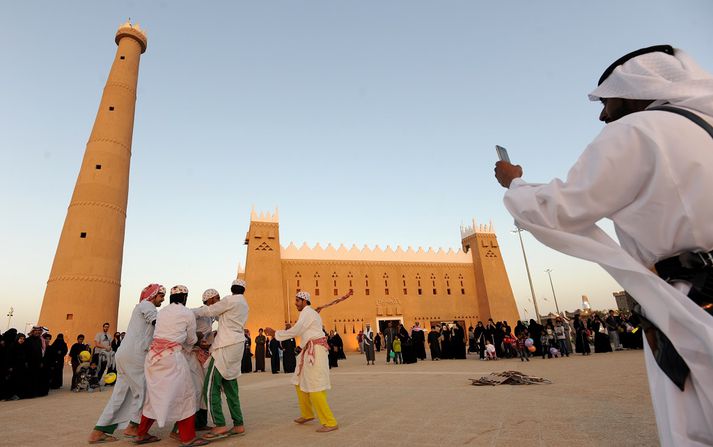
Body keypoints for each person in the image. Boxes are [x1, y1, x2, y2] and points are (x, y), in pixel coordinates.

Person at [495, 45, 713, 445]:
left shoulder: (637, 131)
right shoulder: (703, 127)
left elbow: (560, 208)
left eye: (607, 101)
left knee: (693, 423)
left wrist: (515, 183)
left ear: (633, 91)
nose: (602, 115)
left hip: (690, 301)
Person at [87, 284, 165, 444]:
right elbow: (156, 321)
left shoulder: (142, 307)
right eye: (161, 296)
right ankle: (134, 427)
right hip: (135, 355)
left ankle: (98, 431)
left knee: (120, 395)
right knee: (146, 391)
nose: (163, 299)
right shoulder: (147, 305)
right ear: (152, 296)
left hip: (125, 355)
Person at [134, 285, 208, 447]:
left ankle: (141, 434)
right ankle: (187, 437)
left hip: (153, 357)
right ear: (184, 298)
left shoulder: (162, 312)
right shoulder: (186, 313)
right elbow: (190, 340)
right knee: (186, 395)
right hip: (171, 358)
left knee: (155, 396)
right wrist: (198, 339)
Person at [265, 291, 339, 433]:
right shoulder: (308, 313)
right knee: (299, 382)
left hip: (315, 352)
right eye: (296, 300)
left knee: (315, 386)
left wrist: (276, 333)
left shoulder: (308, 313)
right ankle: (307, 414)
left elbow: (297, 330)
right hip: (308, 351)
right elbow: (305, 332)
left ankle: (330, 422)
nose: (295, 303)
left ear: (305, 301)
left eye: (298, 300)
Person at [194, 280, 249, 440]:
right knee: (230, 385)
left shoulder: (229, 300)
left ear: (232, 289)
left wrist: (186, 312)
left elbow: (210, 311)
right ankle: (238, 424)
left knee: (210, 387)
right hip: (237, 345)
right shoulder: (244, 303)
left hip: (225, 346)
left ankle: (220, 425)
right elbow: (220, 316)